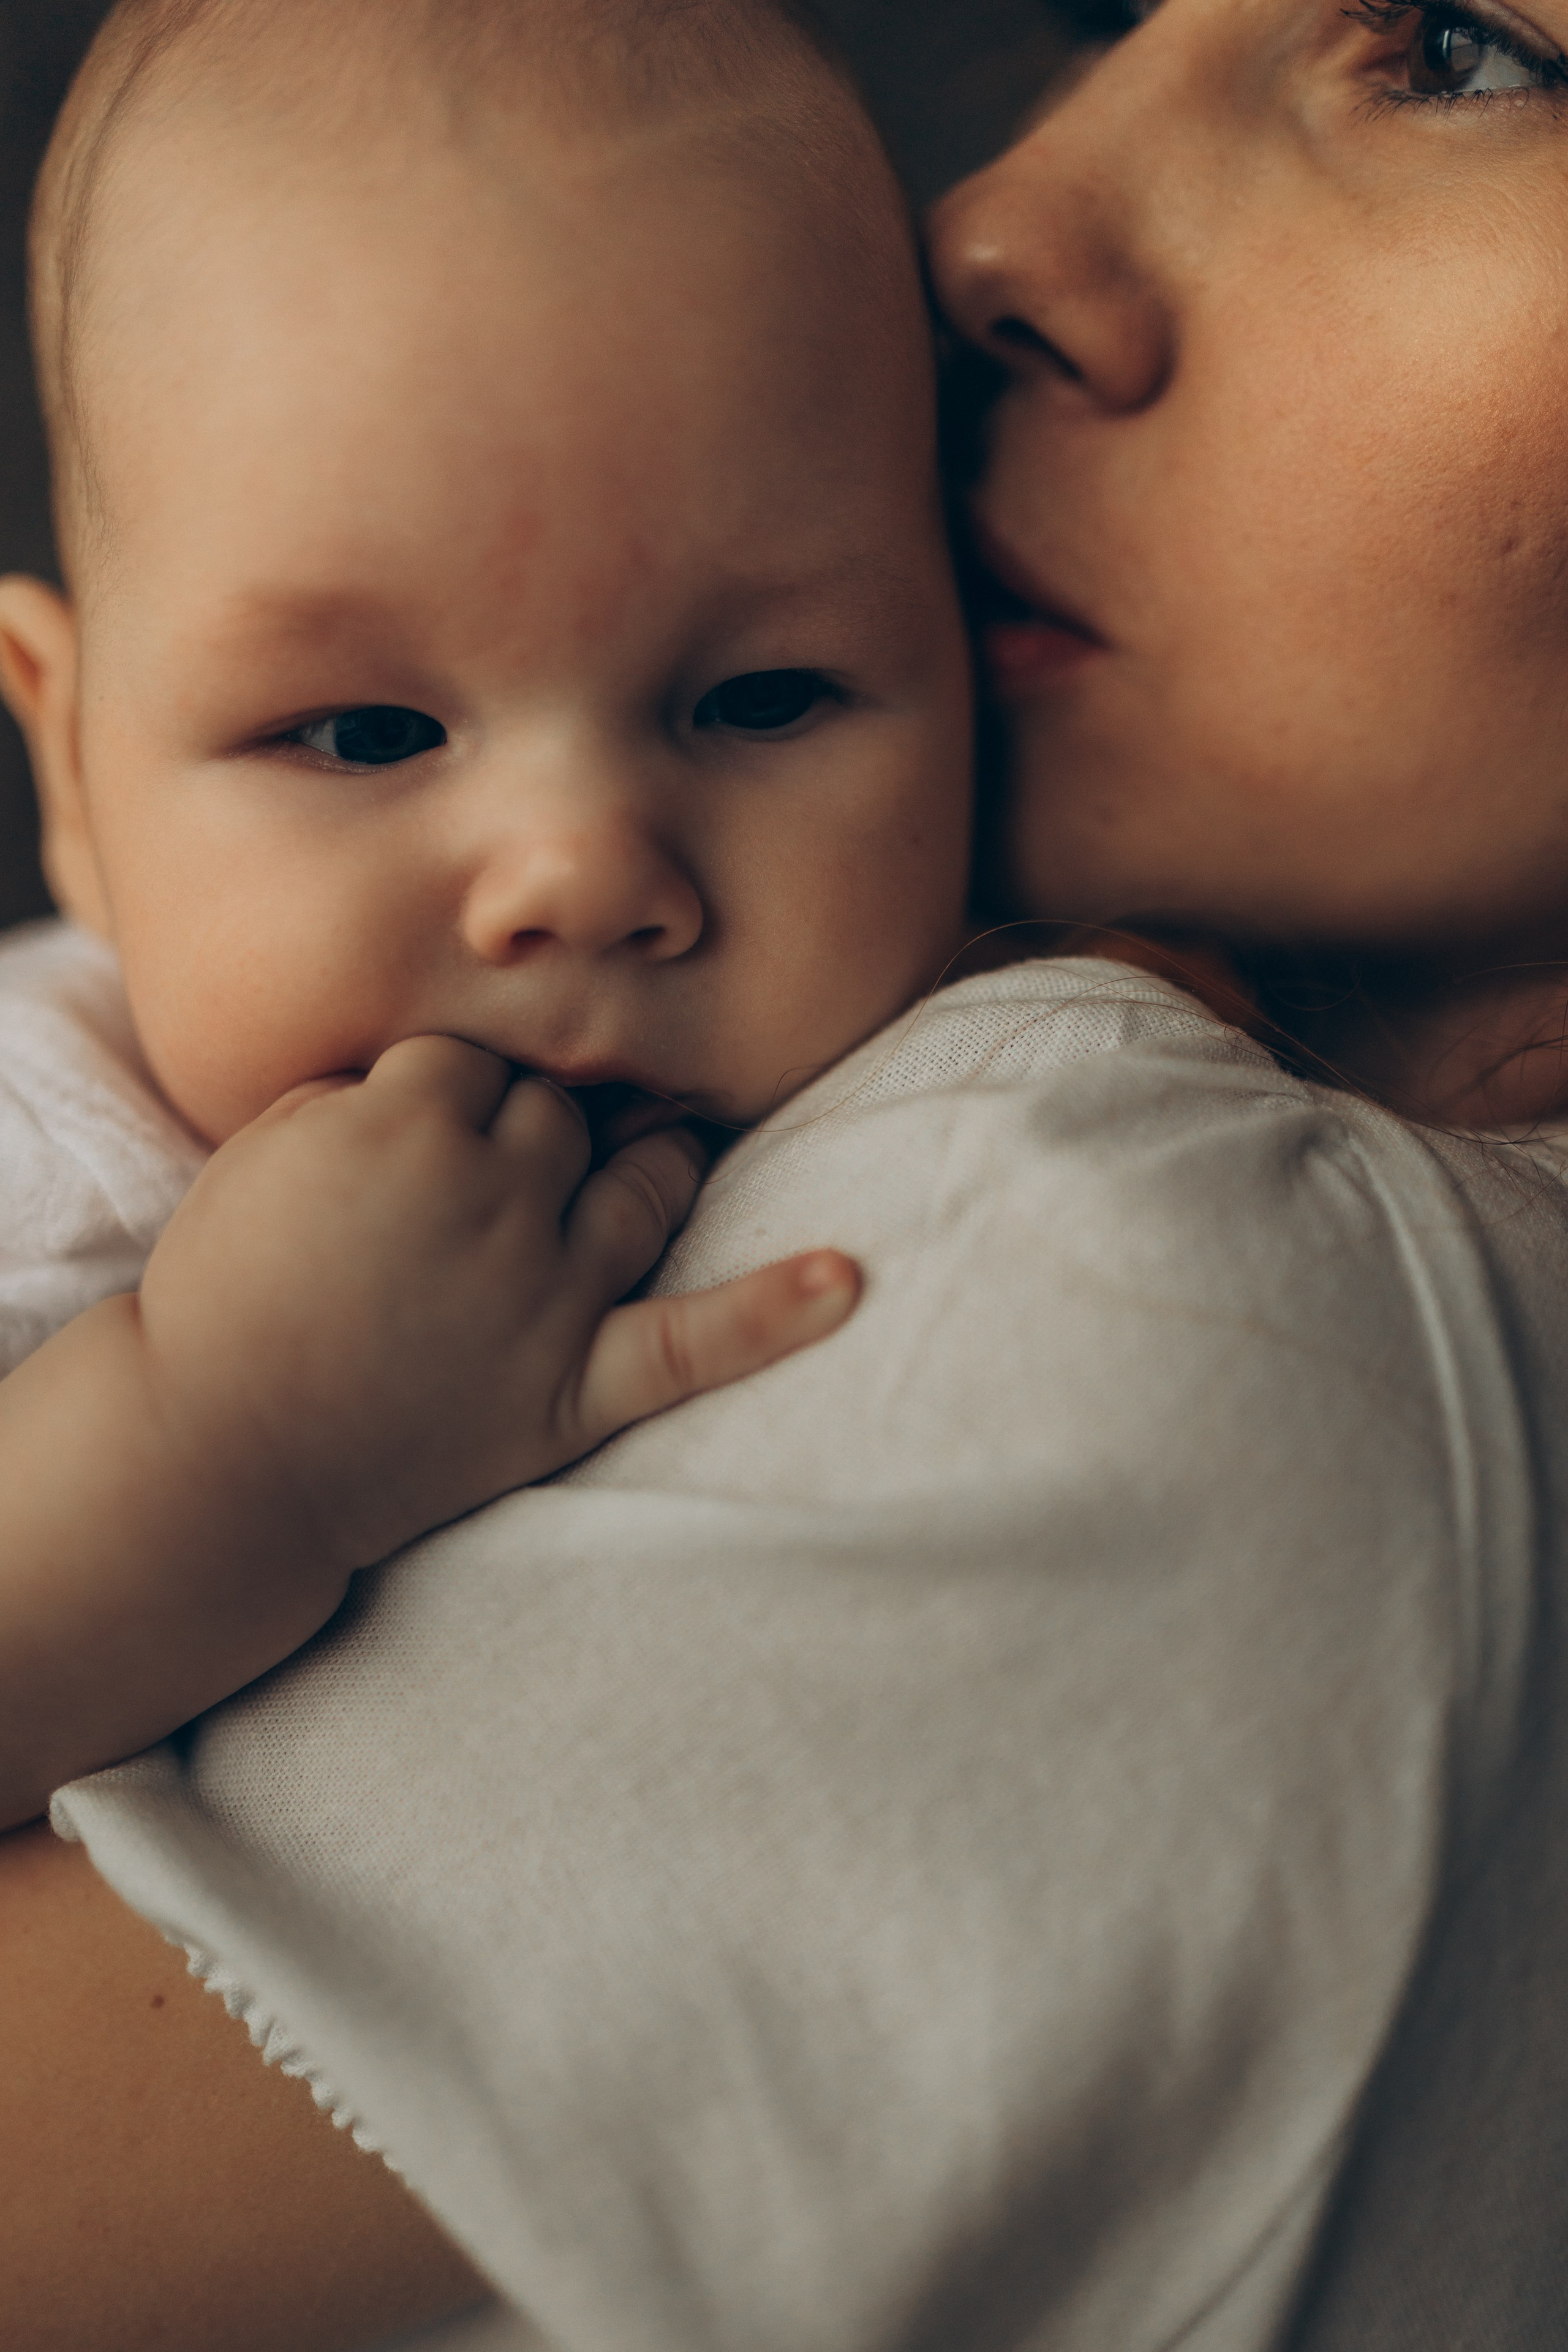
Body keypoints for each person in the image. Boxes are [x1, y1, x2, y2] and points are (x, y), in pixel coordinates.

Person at [5, 6, 1568, 2352]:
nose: (991, 233)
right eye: (363, 731)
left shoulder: (1159, 1276)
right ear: (68, 764)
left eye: (1460, 47)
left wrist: (224, 1463)